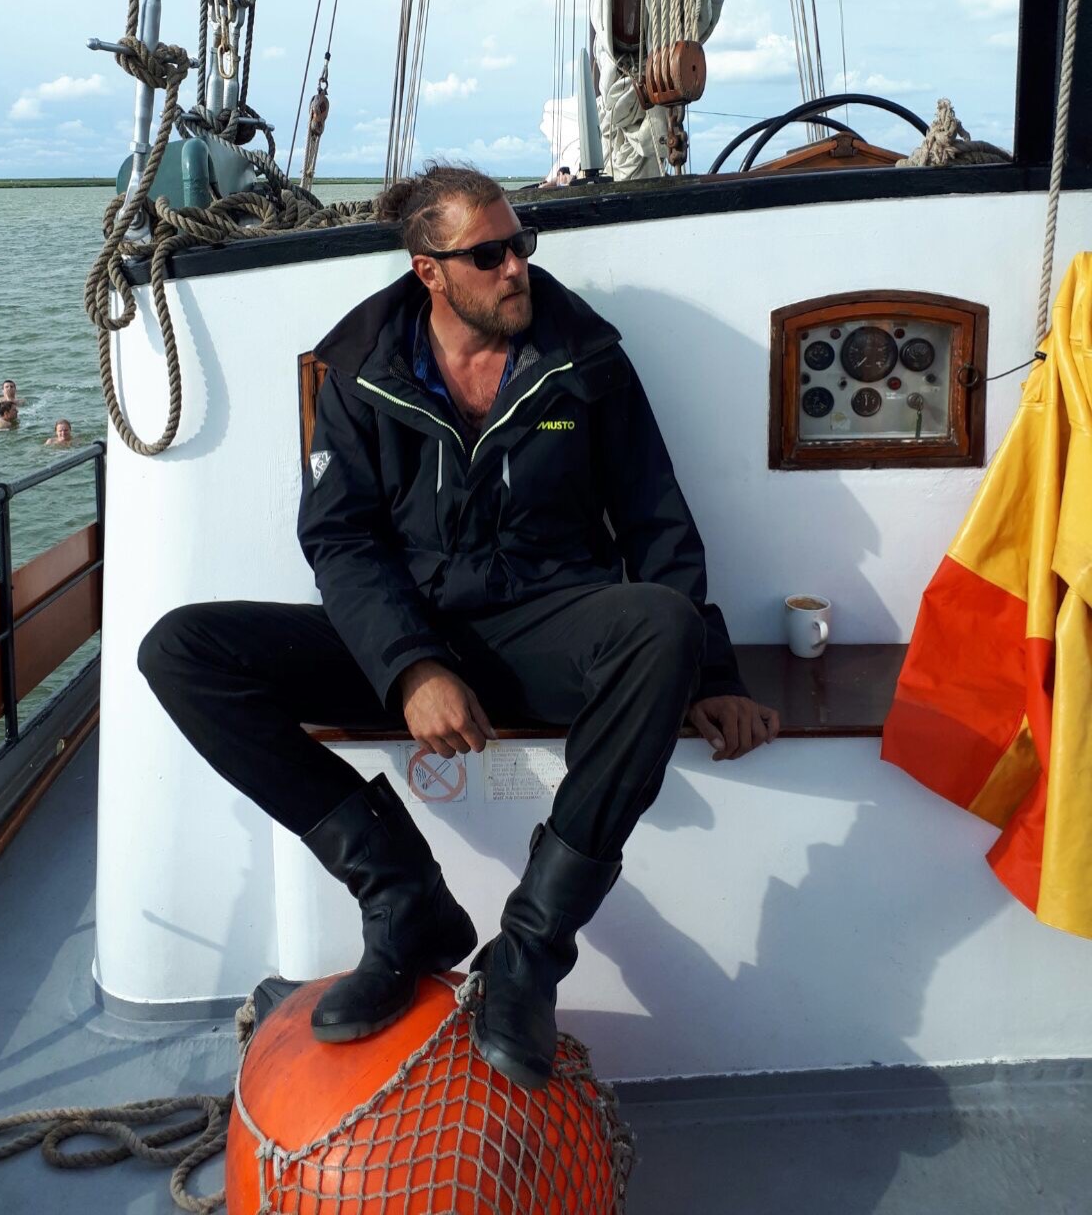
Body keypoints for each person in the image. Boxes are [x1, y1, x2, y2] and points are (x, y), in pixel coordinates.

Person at [139, 162, 777, 1092]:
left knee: (663, 625)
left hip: (549, 627)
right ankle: (402, 900)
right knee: (182, 651)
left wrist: (714, 674)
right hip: (410, 634)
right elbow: (342, 541)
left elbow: (656, 521)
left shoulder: (584, 359)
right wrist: (410, 668)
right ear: (429, 269)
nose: (516, 266)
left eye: (520, 244)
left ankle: (528, 953)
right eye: (489, 253)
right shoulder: (360, 372)